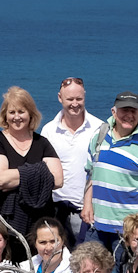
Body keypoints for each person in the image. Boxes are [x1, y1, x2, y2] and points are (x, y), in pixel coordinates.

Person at [82, 90, 138, 257]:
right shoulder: (99, 136)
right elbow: (90, 173)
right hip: (97, 226)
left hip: (130, 233)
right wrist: (87, 204)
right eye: (124, 110)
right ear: (114, 112)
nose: (129, 115)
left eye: (133, 111)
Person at [0, 86, 64, 256]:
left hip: (39, 227)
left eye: (21, 111)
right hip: (3, 226)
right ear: (5, 115)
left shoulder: (42, 143)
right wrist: (41, 172)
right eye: (12, 112)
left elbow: (57, 180)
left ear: (30, 114)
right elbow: (0, 178)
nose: (17, 117)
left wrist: (17, 179)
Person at [42, 76, 102, 241]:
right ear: (60, 98)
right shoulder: (49, 130)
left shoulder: (99, 129)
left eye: (79, 99)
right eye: (70, 99)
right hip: (55, 210)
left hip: (87, 212)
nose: (75, 103)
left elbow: (101, 171)